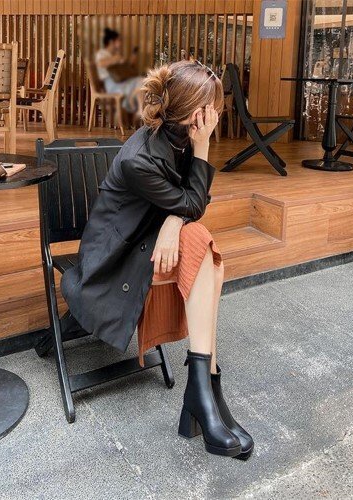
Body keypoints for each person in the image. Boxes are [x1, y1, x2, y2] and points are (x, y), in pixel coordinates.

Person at [61, 60, 254, 460]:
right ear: (194, 112)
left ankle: (204, 389)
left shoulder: (178, 138)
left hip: (148, 237)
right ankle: (205, 389)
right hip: (114, 258)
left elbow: (192, 202)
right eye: (212, 107)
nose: (217, 115)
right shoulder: (142, 159)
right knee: (206, 251)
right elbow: (193, 202)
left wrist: (173, 221)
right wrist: (186, 197)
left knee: (205, 251)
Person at [95, 28, 144, 113]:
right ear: (111, 42)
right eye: (119, 40)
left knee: (142, 81)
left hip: (121, 82)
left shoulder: (115, 54)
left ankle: (137, 109)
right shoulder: (102, 53)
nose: (120, 43)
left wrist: (133, 56)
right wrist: (115, 59)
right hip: (111, 84)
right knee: (140, 82)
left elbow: (126, 67)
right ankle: (136, 109)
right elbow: (100, 64)